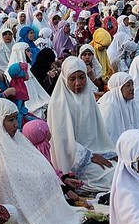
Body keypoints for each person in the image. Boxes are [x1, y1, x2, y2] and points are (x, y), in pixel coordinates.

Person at [0, 99, 82, 224]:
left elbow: (37, 163)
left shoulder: (17, 139)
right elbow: (0, 175)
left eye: (16, 119)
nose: (16, 124)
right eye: (10, 120)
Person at [46, 56, 117, 192]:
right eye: (72, 79)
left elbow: (97, 132)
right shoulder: (58, 104)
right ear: (65, 79)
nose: (78, 83)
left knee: (124, 168)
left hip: (94, 153)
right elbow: (63, 142)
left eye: (82, 78)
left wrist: (104, 152)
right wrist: (89, 156)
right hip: (73, 159)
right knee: (113, 178)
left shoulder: (87, 96)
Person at [98, 72, 139, 143]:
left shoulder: (131, 102)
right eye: (128, 85)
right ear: (118, 88)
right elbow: (109, 136)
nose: (132, 88)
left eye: (132, 85)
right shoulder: (109, 106)